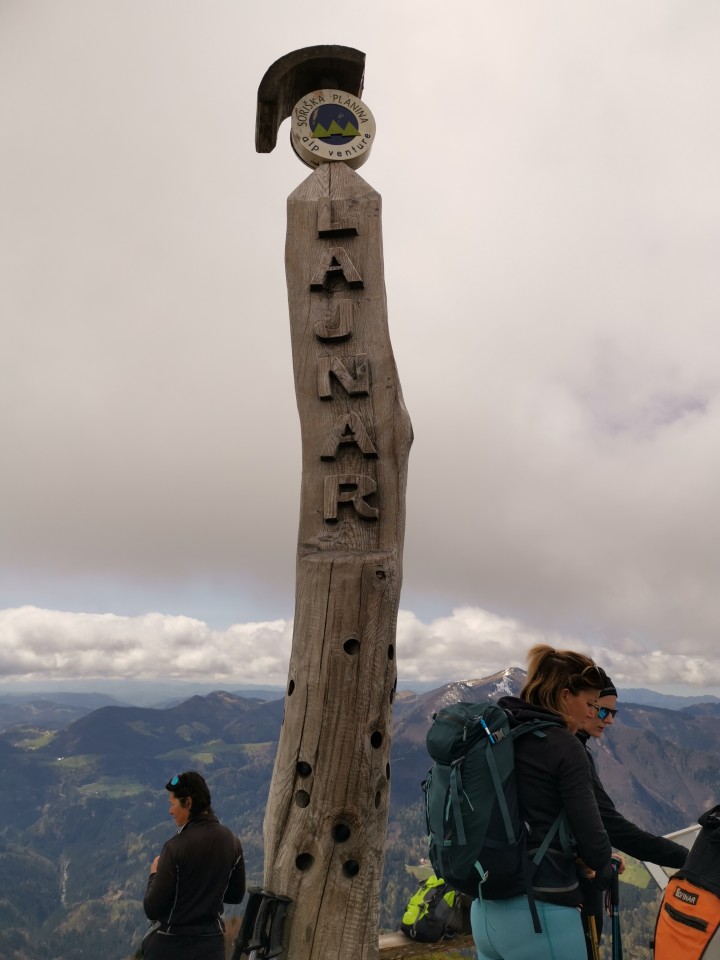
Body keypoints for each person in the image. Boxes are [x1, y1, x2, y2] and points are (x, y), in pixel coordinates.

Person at [470, 644, 614, 960]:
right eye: (589, 702)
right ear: (565, 696)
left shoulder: (500, 733)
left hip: (485, 912)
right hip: (542, 916)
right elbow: (595, 846)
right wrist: (598, 859)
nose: (593, 713)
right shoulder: (564, 746)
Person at [578, 678, 687, 958]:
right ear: (583, 703)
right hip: (566, 904)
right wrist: (691, 858)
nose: (609, 720)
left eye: (614, 712)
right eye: (602, 710)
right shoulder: (570, 753)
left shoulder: (542, 746)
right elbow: (615, 828)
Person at [142, 771, 246, 959]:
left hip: (170, 945)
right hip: (211, 946)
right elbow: (236, 895)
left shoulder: (174, 848)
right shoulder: (232, 842)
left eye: (172, 804)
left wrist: (154, 875)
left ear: (188, 803)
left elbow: (152, 908)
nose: (170, 811)